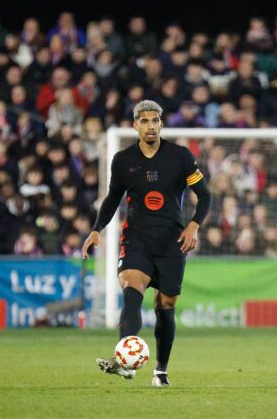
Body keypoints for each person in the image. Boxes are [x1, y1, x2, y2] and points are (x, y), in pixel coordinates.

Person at [82, 100, 210, 387]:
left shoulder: (180, 156)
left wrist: (193, 224)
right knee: (131, 285)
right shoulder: (124, 160)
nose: (150, 126)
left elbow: (205, 195)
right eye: (144, 121)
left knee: (165, 304)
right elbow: (113, 197)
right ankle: (125, 362)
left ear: (161, 124)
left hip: (172, 241)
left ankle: (160, 370)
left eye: (155, 121)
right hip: (137, 238)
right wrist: (96, 229)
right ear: (135, 125)